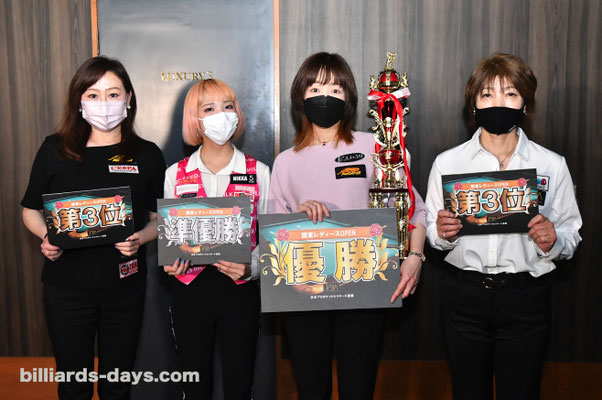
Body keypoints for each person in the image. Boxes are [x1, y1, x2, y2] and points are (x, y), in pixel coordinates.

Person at [268, 52, 427, 400]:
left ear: (349, 97)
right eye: (315, 88)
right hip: (305, 290)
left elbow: (414, 210)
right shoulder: (285, 162)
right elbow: (272, 237)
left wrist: (415, 257)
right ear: (300, 96)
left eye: (335, 89)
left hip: (363, 286)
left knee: (359, 386)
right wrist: (298, 215)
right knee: (311, 389)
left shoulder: (375, 147)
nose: (325, 96)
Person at [425, 53, 582, 400]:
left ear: (526, 103)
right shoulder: (448, 163)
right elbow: (433, 234)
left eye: (510, 93)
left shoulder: (551, 164)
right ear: (473, 104)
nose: (499, 102)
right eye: (487, 94)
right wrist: (443, 233)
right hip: (464, 296)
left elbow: (571, 233)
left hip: (525, 297)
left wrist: (554, 240)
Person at [21, 56, 166, 399]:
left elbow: (162, 218)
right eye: (93, 95)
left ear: (128, 98)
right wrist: (47, 236)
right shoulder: (55, 149)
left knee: (117, 385)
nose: (104, 103)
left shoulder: (147, 154)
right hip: (66, 289)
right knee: (74, 385)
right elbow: (30, 210)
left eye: (113, 94)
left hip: (124, 289)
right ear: (79, 101)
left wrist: (140, 238)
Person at [162, 78, 270, 400]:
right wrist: (171, 263)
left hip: (240, 290)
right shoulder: (175, 173)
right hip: (190, 290)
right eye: (209, 108)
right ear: (195, 119)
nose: (221, 114)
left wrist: (252, 267)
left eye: (227, 106)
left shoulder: (259, 172)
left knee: (240, 383)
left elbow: (271, 237)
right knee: (195, 385)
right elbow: (170, 236)